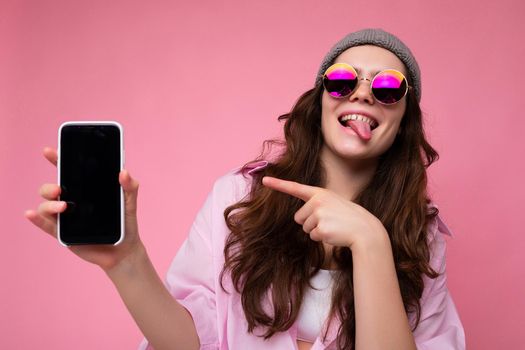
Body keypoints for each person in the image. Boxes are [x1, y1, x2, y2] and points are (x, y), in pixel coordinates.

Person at [26, 28, 466, 350]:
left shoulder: (418, 234)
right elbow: (188, 344)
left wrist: (371, 242)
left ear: (405, 120)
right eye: (342, 80)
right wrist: (125, 262)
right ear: (319, 102)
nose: (363, 95)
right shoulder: (237, 199)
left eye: (388, 87)